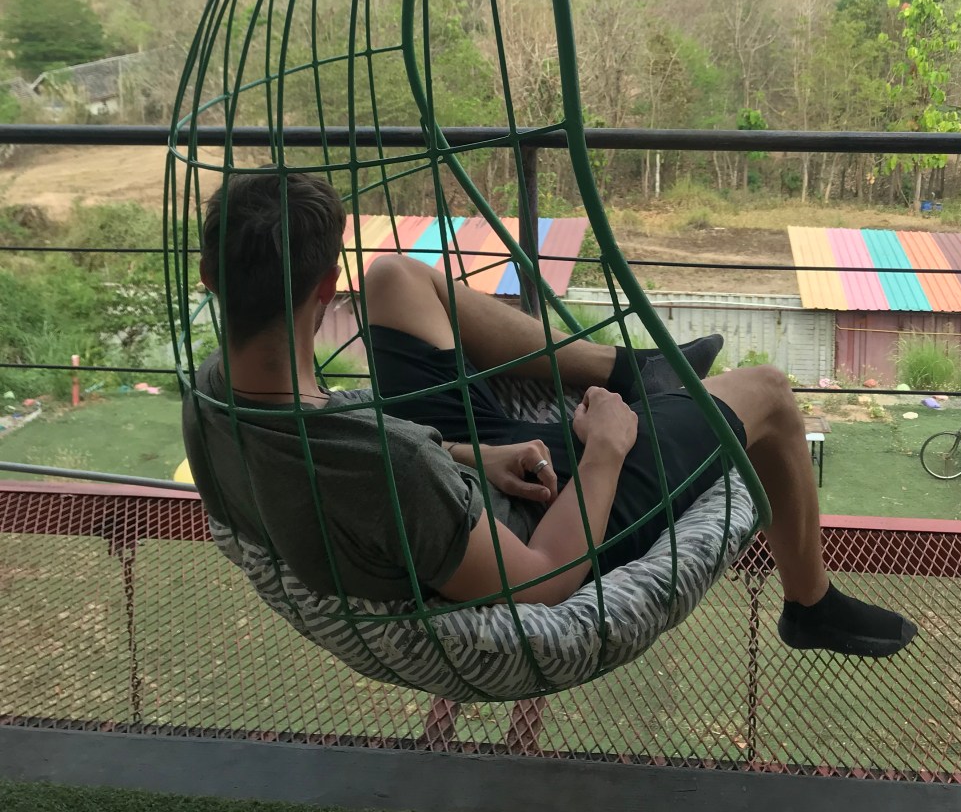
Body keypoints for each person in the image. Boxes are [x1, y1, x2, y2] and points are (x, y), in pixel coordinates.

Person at [183, 172, 917, 657]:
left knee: (395, 275)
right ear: (323, 287)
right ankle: (811, 602)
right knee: (770, 394)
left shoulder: (210, 398)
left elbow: (366, 457)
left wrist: (471, 455)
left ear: (211, 275)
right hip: (543, 520)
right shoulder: (388, 468)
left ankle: (630, 369)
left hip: (459, 471)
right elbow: (538, 583)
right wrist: (605, 447)